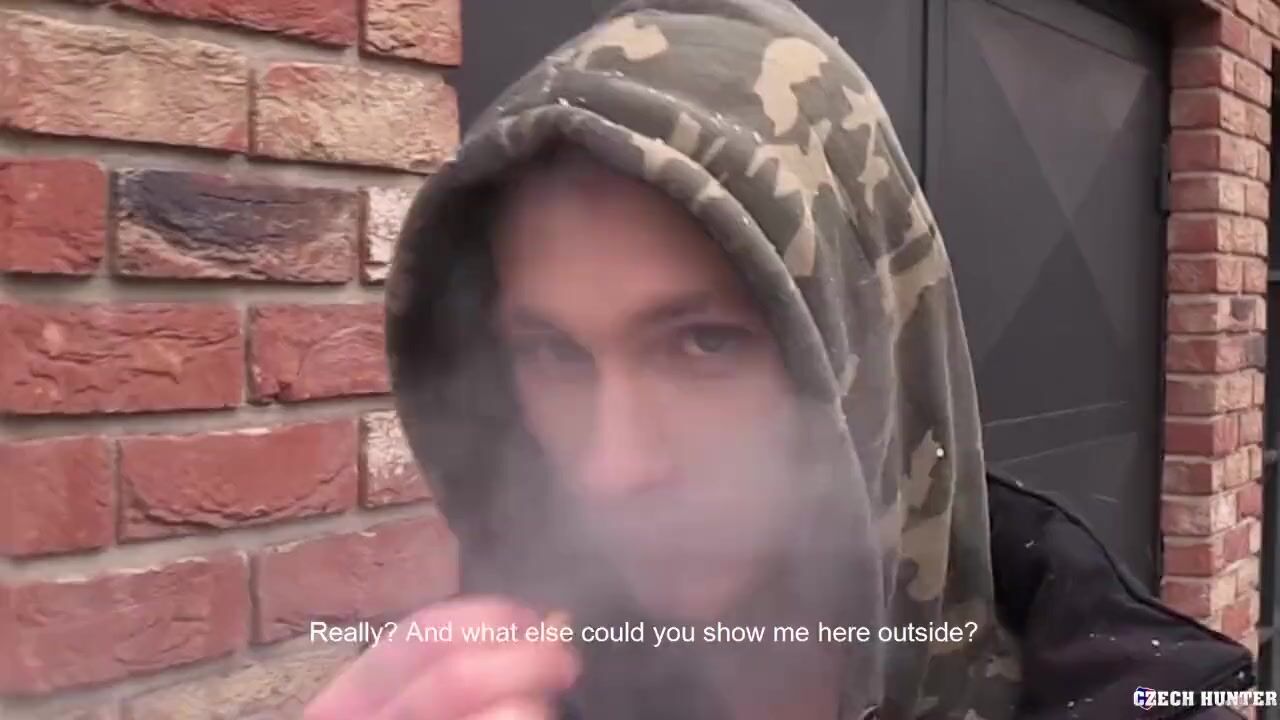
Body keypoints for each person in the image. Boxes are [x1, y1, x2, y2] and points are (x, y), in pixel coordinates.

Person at [305, 0, 1254, 718]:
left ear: (862, 344)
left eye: (703, 342)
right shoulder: (491, 685)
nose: (611, 469)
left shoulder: (1130, 689)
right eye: (551, 351)